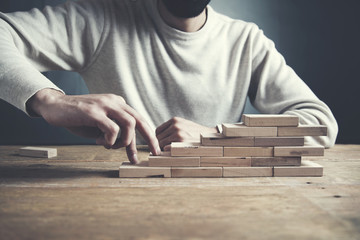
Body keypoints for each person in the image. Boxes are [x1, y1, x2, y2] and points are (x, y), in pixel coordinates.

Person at [0, 0, 338, 164]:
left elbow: (321, 125)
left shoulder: (245, 40)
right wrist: (50, 99)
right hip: (114, 199)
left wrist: (215, 136)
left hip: (223, 202)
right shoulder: (102, 17)